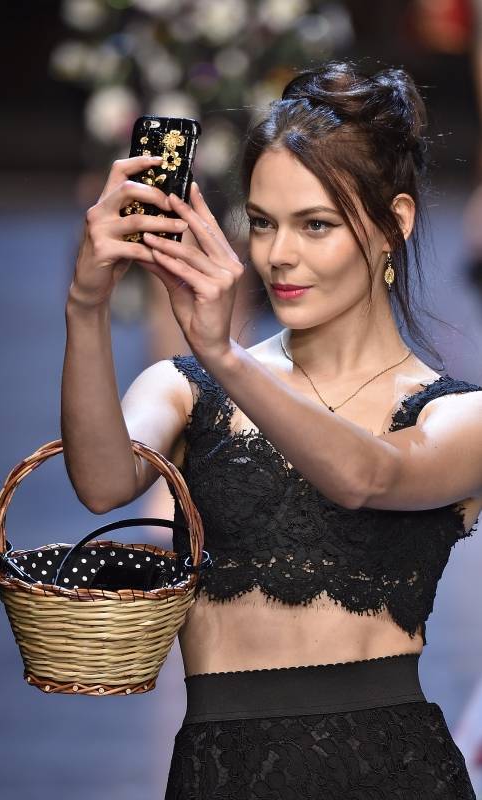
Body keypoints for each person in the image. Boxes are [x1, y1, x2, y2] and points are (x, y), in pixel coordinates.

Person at [61, 60, 482, 798]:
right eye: (261, 223)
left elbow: (366, 477)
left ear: (395, 223)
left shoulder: (457, 412)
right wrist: (84, 307)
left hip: (393, 774)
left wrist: (220, 351)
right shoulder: (186, 389)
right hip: (221, 773)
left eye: (314, 225)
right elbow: (100, 485)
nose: (278, 255)